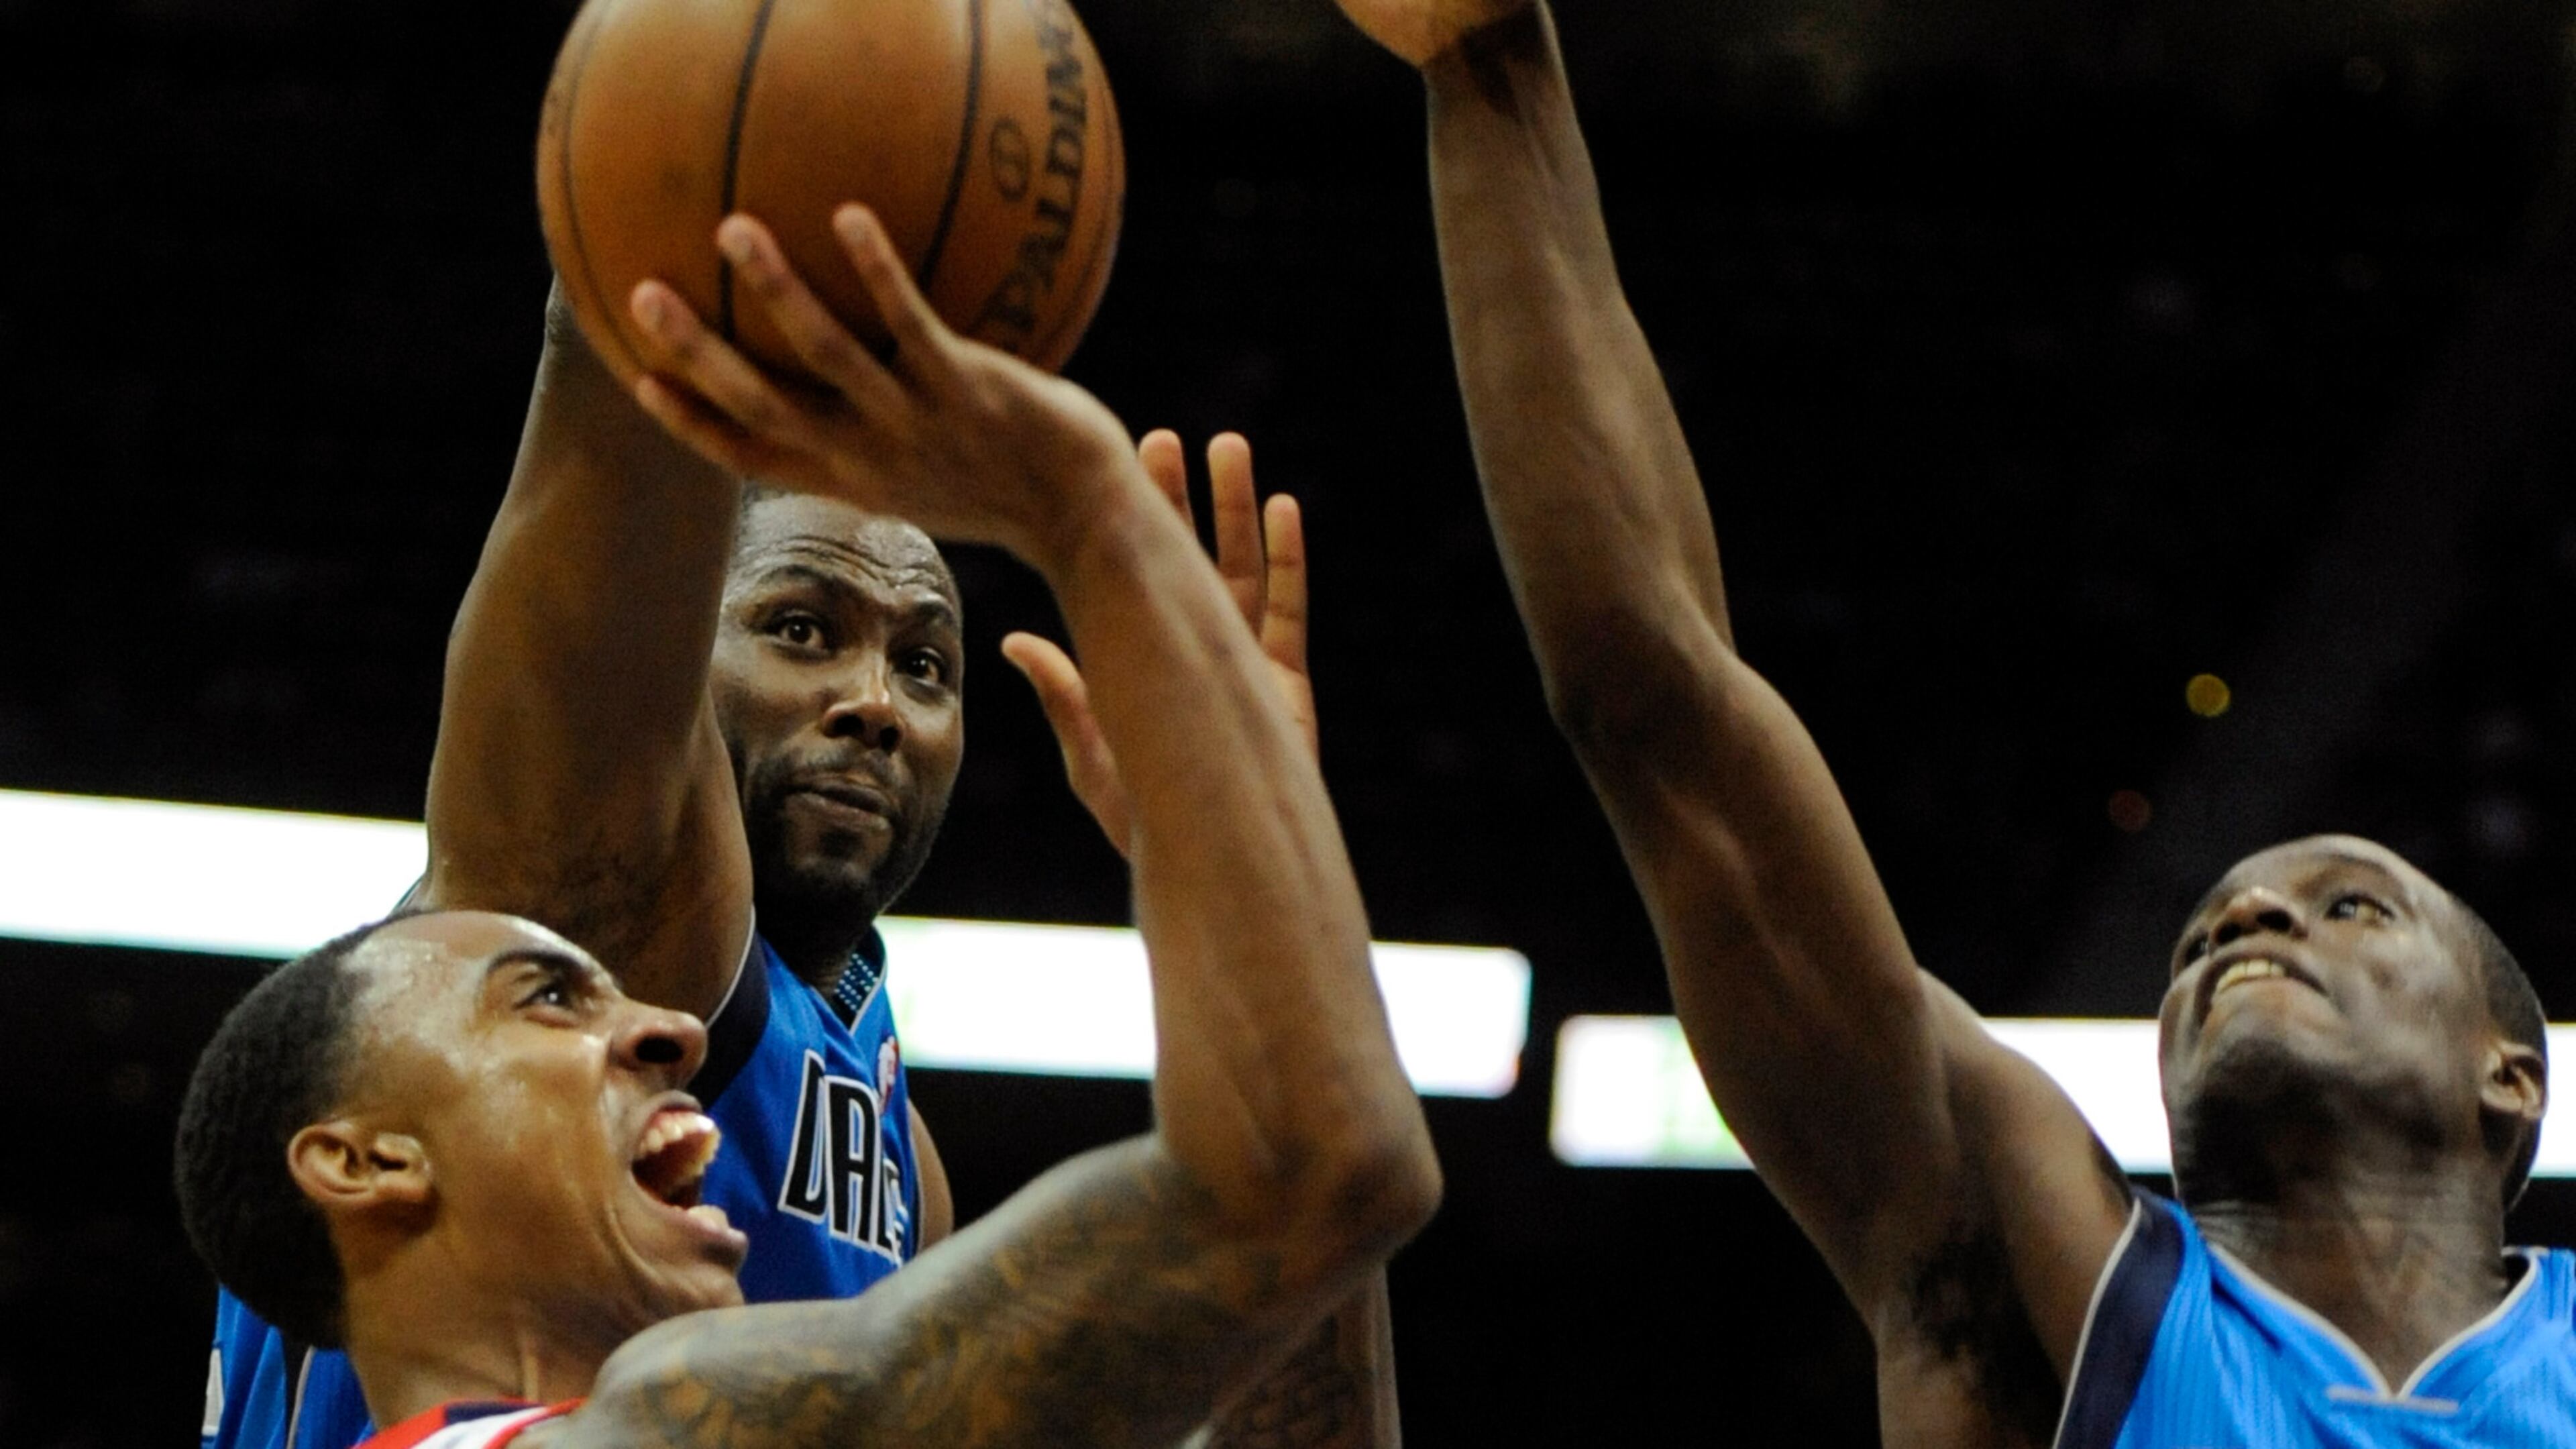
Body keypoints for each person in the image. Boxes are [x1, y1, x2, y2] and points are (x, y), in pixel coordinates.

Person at [1325, 0, 2574, 1443]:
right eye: (2201, 938)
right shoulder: (2040, 1291)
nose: (2244, 932)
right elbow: (1663, 711)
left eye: (2350, 906)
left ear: (2509, 1074)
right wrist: (1495, 67)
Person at [173, 198, 1440, 1449]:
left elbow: (1318, 1226)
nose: (874, 706)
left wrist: (1258, 834)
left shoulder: (894, 1152)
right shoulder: (578, 912)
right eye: (798, 629)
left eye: (930, 666)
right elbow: (1310, 1183)